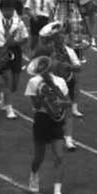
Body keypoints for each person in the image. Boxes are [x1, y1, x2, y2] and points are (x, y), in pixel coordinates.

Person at [24, 54, 69, 194]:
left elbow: (67, 102)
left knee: (60, 156)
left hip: (56, 119)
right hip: (42, 119)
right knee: (39, 157)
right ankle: (34, 174)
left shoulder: (60, 81)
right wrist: (42, 97)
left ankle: (57, 192)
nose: (43, 68)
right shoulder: (33, 82)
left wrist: (55, 97)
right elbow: (36, 106)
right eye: (40, 65)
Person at [35, 21, 84, 149]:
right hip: (52, 84)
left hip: (67, 82)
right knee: (52, 110)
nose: (62, 37)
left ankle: (68, 138)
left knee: (68, 110)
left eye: (62, 35)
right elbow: (38, 67)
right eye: (59, 35)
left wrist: (71, 66)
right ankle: (52, 134)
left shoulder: (69, 50)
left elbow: (79, 68)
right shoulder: (47, 52)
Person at [0, 0, 29, 119]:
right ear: (1, 10)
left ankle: (4, 97)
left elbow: (25, 39)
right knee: (8, 80)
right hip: (2, 52)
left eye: (10, 10)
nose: (8, 12)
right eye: (5, 10)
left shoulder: (19, 23)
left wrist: (16, 42)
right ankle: (10, 109)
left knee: (14, 84)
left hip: (15, 52)